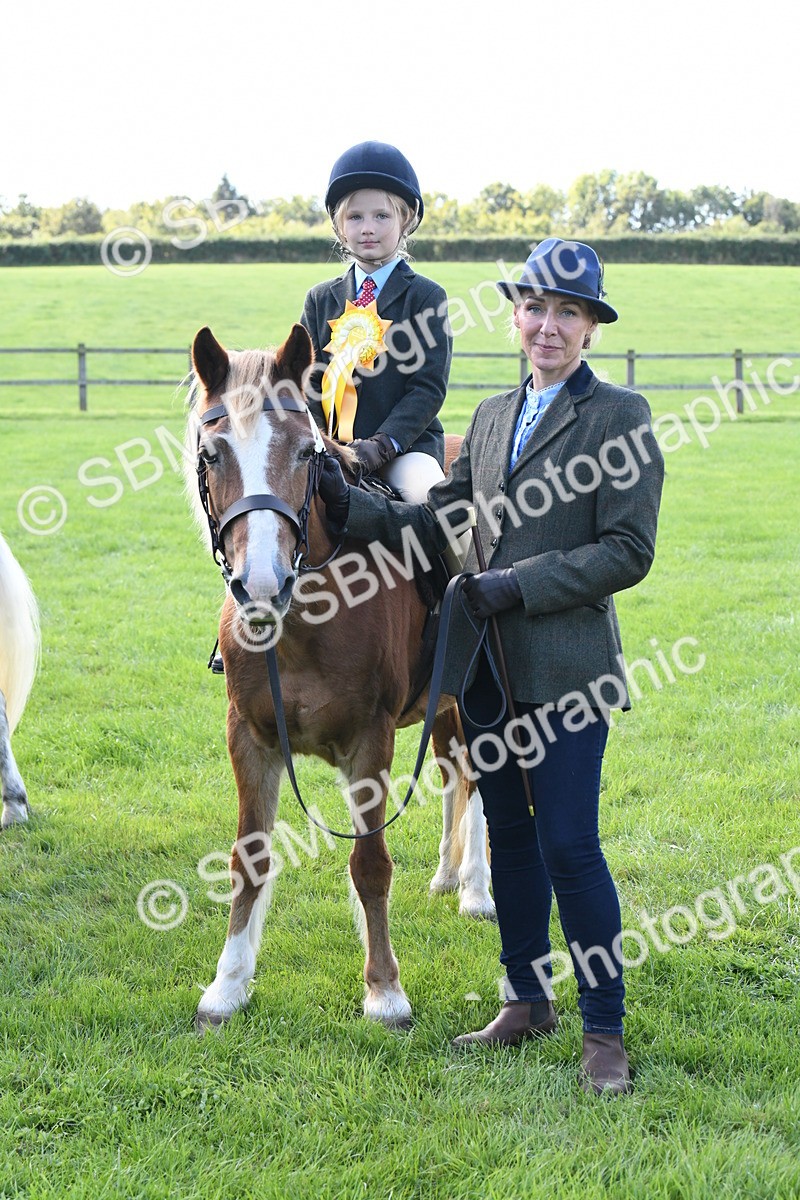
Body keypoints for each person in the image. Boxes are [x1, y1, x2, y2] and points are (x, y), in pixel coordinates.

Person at [318, 238, 665, 1095]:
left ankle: (604, 1029)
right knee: (506, 836)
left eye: (568, 313)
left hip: (567, 670)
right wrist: (340, 500)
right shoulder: (488, 416)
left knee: (569, 846)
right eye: (536, 309)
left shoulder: (621, 416)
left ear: (589, 328)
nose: (548, 327)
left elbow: (628, 549)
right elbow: (438, 520)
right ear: (515, 318)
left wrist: (516, 583)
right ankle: (524, 998)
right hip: (484, 674)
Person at [300, 140, 452, 502]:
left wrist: (382, 445)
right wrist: (323, 440)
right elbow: (308, 380)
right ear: (340, 227)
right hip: (329, 447)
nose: (368, 228)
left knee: (426, 495)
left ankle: (465, 561)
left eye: (381, 216)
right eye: (355, 217)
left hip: (404, 449)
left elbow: (427, 389)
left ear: (406, 219)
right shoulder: (320, 300)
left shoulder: (427, 297)